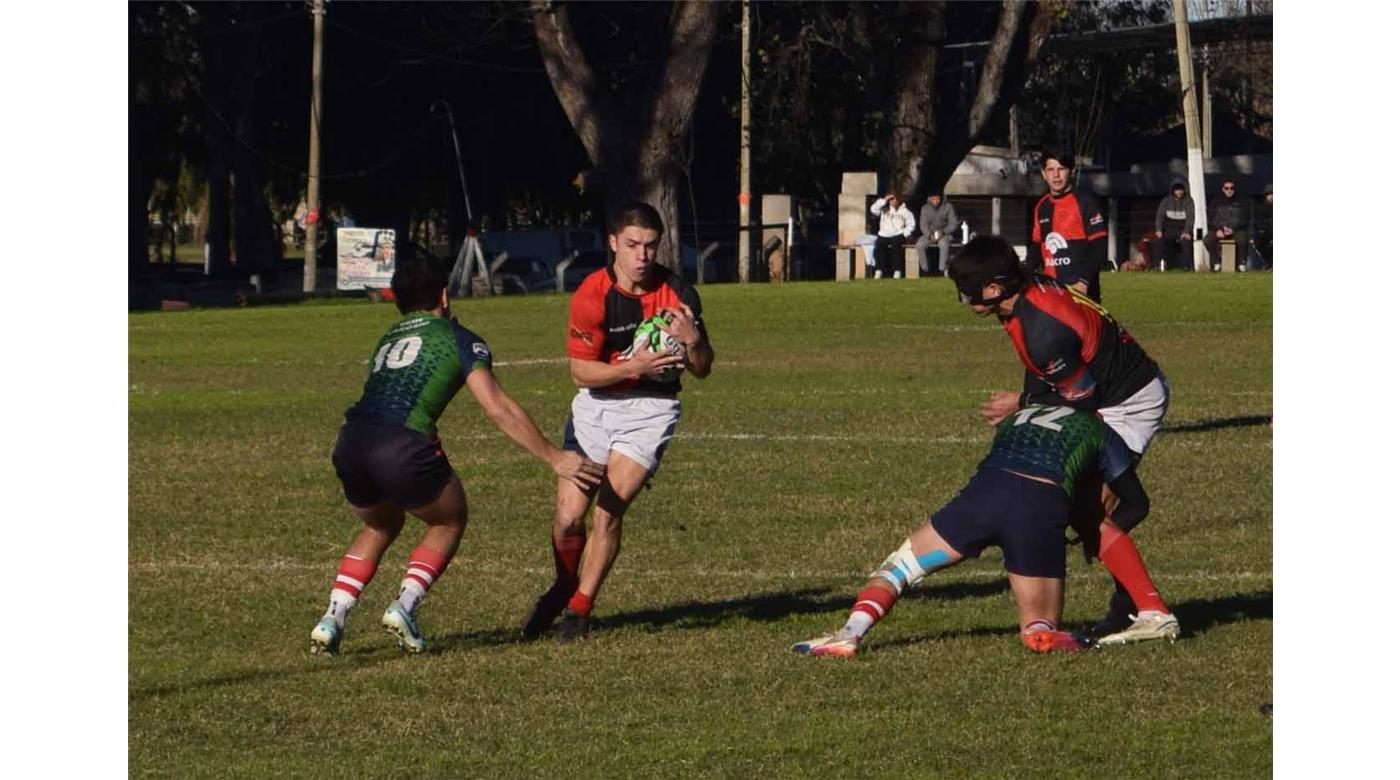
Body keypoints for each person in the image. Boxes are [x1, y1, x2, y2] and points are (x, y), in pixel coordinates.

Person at [309, 252, 605, 656]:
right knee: (449, 519)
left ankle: (333, 617)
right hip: (402, 445)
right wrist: (555, 456)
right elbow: (497, 407)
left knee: (380, 525)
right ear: (445, 296)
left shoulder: (390, 336)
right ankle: (405, 606)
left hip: (351, 443)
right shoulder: (458, 337)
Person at [793, 405, 1174, 657]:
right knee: (1039, 625)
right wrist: (1096, 535)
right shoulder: (1098, 429)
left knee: (899, 569)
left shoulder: (1018, 417)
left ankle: (850, 632)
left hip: (981, 497)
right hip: (1037, 508)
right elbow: (1137, 503)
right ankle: (1054, 635)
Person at [947, 235, 1177, 641]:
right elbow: (1043, 369)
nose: (964, 301)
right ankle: (1133, 604)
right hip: (1118, 389)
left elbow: (1083, 397)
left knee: (1092, 514)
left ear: (994, 289)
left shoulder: (1043, 331)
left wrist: (1021, 403)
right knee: (1095, 512)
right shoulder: (1027, 293)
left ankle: (1144, 611)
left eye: (967, 293)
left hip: (1127, 401)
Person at [519, 201, 715, 642]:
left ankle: (578, 613)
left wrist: (693, 340)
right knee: (569, 518)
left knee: (608, 512)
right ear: (613, 243)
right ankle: (564, 585)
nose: (643, 255)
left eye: (650, 245)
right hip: (597, 404)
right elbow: (580, 373)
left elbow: (702, 368)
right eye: (633, 245)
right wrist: (634, 367)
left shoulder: (679, 293)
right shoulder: (592, 293)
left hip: (651, 410)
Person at [1031, 151, 1109, 301]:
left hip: (1082, 293)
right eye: (1051, 170)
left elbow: (1099, 245)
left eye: (1061, 169)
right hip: (1052, 293)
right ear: (1043, 173)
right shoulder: (1041, 206)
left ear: (1072, 172)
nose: (1056, 175)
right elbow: (1036, 248)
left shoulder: (1085, 203)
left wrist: (1084, 282)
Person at [1204, 178, 1254, 272]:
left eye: (1231, 188)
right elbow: (1210, 218)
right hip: (1219, 230)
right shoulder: (1215, 201)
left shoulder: (1242, 201)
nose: (1229, 190)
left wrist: (1233, 229)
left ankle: (1241, 264)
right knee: (1207, 240)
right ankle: (1216, 263)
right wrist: (1217, 230)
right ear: (1223, 189)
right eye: (1226, 188)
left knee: (1243, 238)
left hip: (1236, 230)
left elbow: (1246, 219)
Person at [1152, 179, 1195, 272]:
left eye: (1181, 190)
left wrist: (1186, 232)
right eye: (1176, 190)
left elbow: (1191, 218)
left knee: (1186, 242)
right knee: (1159, 241)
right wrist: (1159, 230)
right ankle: (1157, 265)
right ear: (1173, 190)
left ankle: (1186, 267)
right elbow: (1160, 216)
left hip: (1182, 230)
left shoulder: (1189, 201)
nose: (1179, 192)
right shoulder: (1166, 201)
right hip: (1168, 231)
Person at [869, 192, 915, 279]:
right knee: (879, 245)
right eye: (890, 200)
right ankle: (879, 270)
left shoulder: (905, 211)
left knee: (896, 245)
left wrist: (905, 233)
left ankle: (897, 270)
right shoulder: (883, 209)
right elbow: (873, 209)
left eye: (893, 199)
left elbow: (911, 224)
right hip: (884, 234)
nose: (892, 201)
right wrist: (884, 200)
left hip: (898, 234)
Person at [916, 192, 959, 276]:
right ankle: (925, 270)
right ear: (930, 199)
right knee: (920, 245)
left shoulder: (948, 207)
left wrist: (943, 232)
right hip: (930, 234)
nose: (936, 201)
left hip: (945, 233)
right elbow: (923, 225)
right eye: (933, 199)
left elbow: (953, 224)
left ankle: (942, 270)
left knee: (943, 244)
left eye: (937, 199)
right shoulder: (925, 208)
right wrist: (929, 235)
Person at [1254, 186, 1272, 270]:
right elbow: (1257, 223)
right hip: (1266, 232)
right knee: (1259, 243)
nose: (1271, 196)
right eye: (1269, 194)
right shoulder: (1260, 208)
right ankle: (1268, 262)